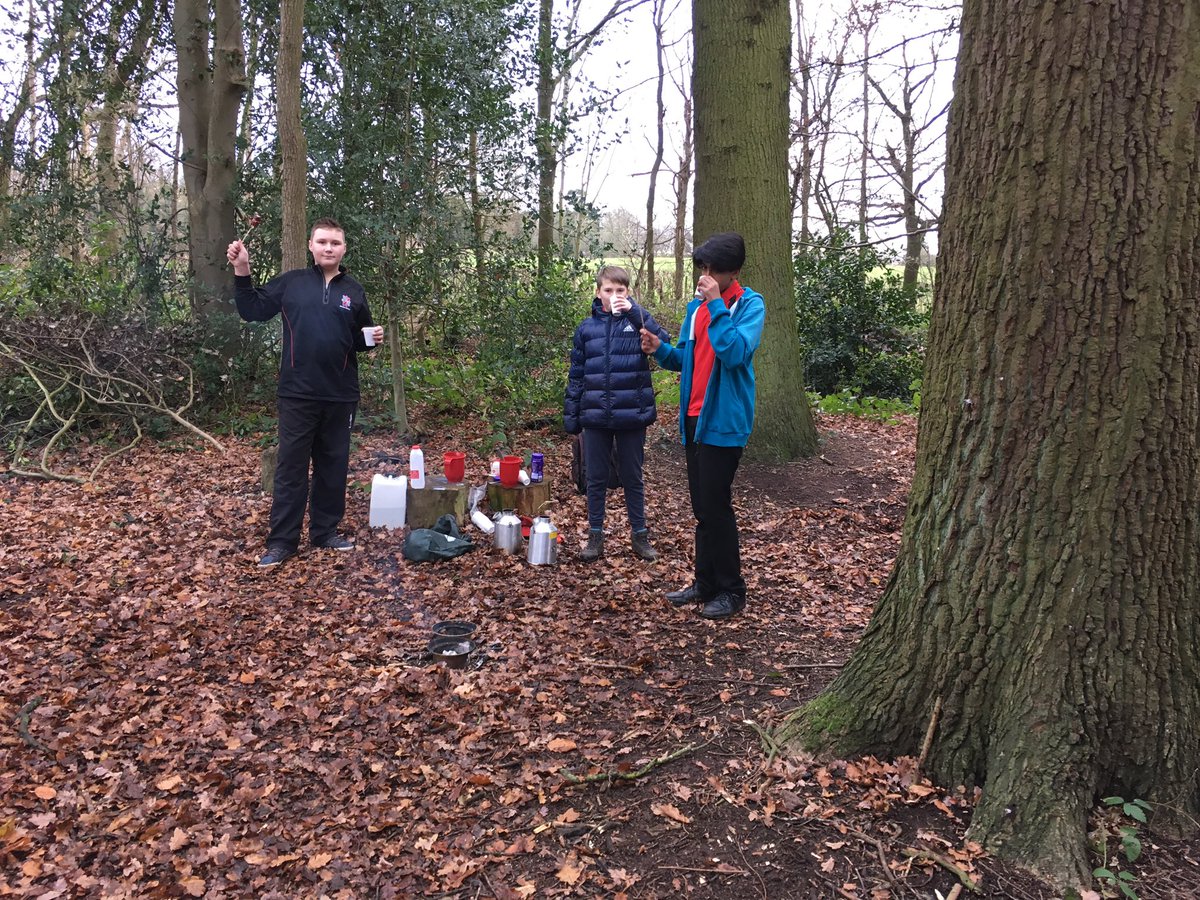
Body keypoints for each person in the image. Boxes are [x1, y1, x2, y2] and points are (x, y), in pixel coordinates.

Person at [226, 218, 384, 568]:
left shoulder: (354, 291)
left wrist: (372, 339)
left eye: (335, 243)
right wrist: (243, 269)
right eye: (323, 242)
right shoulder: (292, 284)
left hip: (341, 394)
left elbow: (358, 340)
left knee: (333, 465)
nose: (329, 248)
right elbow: (252, 309)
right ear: (311, 246)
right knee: (291, 468)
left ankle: (325, 532)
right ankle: (282, 541)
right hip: (297, 393)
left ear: (344, 249)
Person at [639, 232, 763, 620]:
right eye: (703, 268)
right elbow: (684, 360)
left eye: (713, 270)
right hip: (693, 419)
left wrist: (715, 306)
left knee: (715, 506)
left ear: (733, 272)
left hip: (725, 422)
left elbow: (734, 353)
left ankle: (732, 590)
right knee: (703, 509)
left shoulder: (749, 305)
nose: (705, 275)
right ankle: (705, 583)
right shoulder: (696, 310)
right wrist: (659, 350)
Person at [564, 265, 671, 562]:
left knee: (632, 477)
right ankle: (595, 538)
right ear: (598, 294)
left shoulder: (638, 321)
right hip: (595, 416)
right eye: (608, 291)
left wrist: (636, 312)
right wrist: (572, 416)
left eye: (620, 291)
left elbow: (664, 342)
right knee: (595, 478)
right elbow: (576, 375)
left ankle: (640, 537)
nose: (614, 296)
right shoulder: (586, 330)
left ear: (629, 293)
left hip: (632, 414)